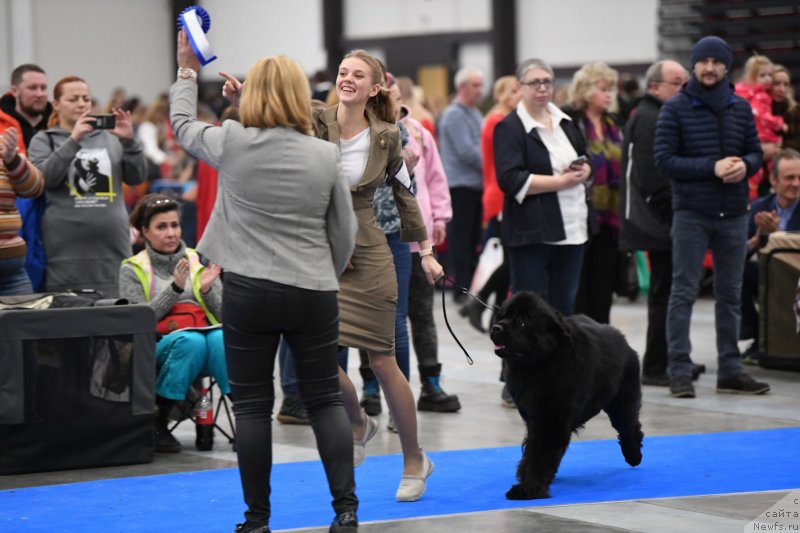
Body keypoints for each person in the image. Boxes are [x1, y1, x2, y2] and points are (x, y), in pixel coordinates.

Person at [223, 48, 443, 503]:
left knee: (382, 360)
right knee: (316, 357)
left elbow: (406, 196)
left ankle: (414, 459)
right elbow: (272, 117)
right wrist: (244, 97)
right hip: (318, 249)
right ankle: (358, 422)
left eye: (358, 75)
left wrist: (426, 252)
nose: (347, 79)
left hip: (369, 248)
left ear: (374, 87)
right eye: (343, 72)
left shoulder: (388, 135)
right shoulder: (313, 118)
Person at [177, 31, 360, 532]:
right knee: (324, 400)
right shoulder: (324, 154)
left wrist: (188, 70)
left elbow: (182, 125)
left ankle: (257, 520)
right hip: (313, 290)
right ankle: (346, 511)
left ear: (252, 95)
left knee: (254, 407)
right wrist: (324, 272)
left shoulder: (231, 141)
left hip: (250, 291)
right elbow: (344, 232)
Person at [654, 35, 770, 398]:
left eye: (716, 62)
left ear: (725, 66)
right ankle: (678, 370)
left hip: (733, 213)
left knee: (731, 295)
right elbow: (664, 161)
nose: (709, 68)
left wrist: (745, 165)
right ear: (694, 65)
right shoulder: (675, 108)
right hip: (692, 213)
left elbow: (755, 152)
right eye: (703, 61)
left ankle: (731, 370)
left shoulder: (740, 108)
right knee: (683, 292)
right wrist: (712, 167)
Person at [120, 193, 228, 453]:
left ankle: (247, 413)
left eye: (174, 225)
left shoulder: (198, 260)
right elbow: (138, 322)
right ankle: (159, 419)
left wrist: (206, 290)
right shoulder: (132, 268)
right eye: (161, 227)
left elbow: (225, 316)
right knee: (191, 341)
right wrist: (175, 289)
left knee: (220, 338)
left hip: (203, 342)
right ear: (145, 232)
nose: (171, 233)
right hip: (156, 347)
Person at [28, 76, 146, 298]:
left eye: (86, 98)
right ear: (56, 104)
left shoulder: (111, 137)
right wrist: (74, 140)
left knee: (116, 310)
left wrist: (130, 142)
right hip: (65, 253)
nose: (81, 104)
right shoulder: (44, 140)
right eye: (73, 99)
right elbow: (43, 180)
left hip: (112, 248)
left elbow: (137, 177)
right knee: (69, 313)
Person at [494, 57, 592, 315]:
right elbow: (510, 179)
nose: (542, 88)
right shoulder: (509, 127)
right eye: (535, 83)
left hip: (573, 226)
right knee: (530, 310)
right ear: (519, 87)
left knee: (564, 308)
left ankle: (560, 345)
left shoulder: (565, 121)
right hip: (532, 231)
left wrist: (585, 170)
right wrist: (561, 182)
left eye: (547, 82)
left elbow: (585, 157)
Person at [619, 60, 692, 386]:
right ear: (654, 87)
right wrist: (676, 213)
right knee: (665, 294)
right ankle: (656, 365)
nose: (683, 88)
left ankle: (673, 357)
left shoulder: (658, 113)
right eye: (676, 83)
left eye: (684, 82)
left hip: (660, 218)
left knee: (672, 292)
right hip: (657, 220)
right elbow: (653, 177)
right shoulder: (651, 117)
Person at [462, 75, 520, 334]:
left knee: (507, 258)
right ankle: (479, 301)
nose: (520, 95)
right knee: (509, 259)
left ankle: (495, 312)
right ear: (502, 94)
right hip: (500, 195)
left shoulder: (500, 119)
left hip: (500, 192)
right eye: (514, 91)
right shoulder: (498, 121)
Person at [568, 62, 623, 325]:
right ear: (586, 91)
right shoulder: (572, 122)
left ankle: (602, 341)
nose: (609, 94)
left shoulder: (613, 124)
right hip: (581, 213)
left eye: (610, 89)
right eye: (603, 89)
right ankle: (581, 340)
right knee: (580, 287)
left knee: (604, 287)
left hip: (610, 216)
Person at [740, 148, 800, 363]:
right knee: (734, 273)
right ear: (774, 180)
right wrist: (759, 238)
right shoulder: (758, 208)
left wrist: (779, 236)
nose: (796, 184)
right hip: (768, 276)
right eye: (789, 178)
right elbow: (738, 253)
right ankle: (757, 336)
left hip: (796, 276)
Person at [437, 67, 484, 303]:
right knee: (461, 240)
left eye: (481, 85)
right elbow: (467, 151)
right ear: (462, 87)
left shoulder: (474, 112)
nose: (480, 90)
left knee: (472, 239)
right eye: (475, 85)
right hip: (460, 186)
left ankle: (470, 287)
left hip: (474, 184)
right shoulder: (454, 114)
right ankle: (461, 290)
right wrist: (494, 165)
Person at [734, 54, 786, 199]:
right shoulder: (758, 96)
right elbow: (760, 115)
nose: (767, 79)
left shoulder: (753, 94)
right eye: (763, 75)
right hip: (758, 138)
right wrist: (778, 122)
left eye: (769, 75)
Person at [0, 127, 43, 295]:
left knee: (25, 312)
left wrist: (13, 161)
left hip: (12, 269)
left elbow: (35, 188)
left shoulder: (3, 145)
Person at [0, 64, 52, 148]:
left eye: (43, 88)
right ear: (14, 91)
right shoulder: (2, 126)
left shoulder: (59, 122)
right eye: (32, 88)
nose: (40, 94)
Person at [771, 65, 800, 153]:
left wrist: (781, 148)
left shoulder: (795, 111)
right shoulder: (756, 111)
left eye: (786, 84)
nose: (782, 89)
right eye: (776, 84)